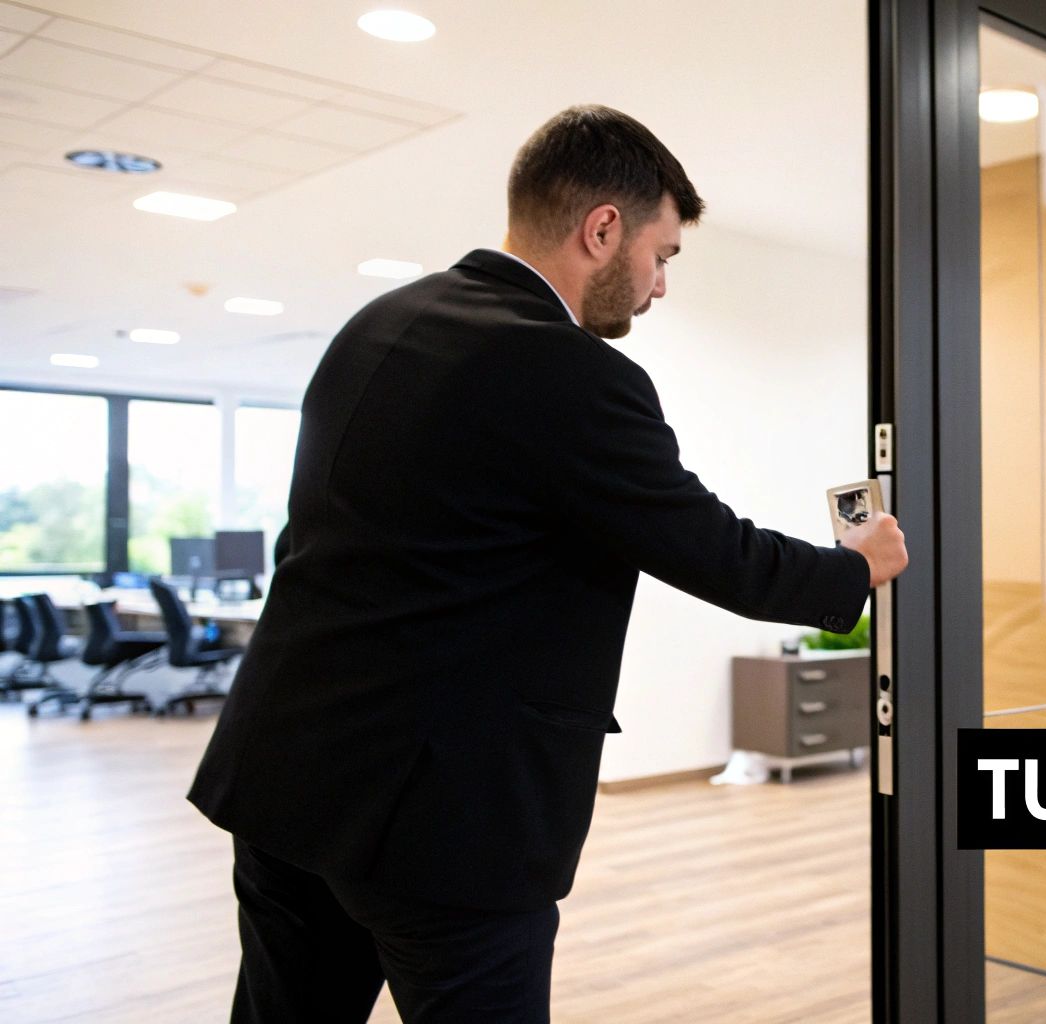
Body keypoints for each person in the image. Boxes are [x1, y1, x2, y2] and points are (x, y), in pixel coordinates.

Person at [187, 104, 909, 1024]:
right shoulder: (568, 369)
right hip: (444, 825)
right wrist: (855, 566)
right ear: (602, 229)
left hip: (287, 779)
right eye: (661, 256)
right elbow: (708, 549)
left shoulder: (379, 323)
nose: (657, 287)